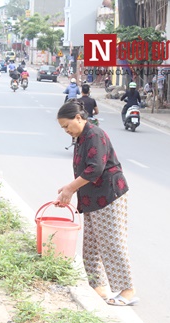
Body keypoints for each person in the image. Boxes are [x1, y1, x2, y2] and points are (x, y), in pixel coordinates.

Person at [54, 100, 138, 306]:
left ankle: (127, 290)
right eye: (62, 128)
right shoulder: (81, 137)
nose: (65, 130)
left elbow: (95, 169)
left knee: (112, 242)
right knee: (91, 245)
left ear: (79, 118)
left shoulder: (95, 135)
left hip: (109, 194)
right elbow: (84, 171)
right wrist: (69, 188)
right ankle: (97, 287)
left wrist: (70, 188)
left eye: (67, 125)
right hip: (92, 196)